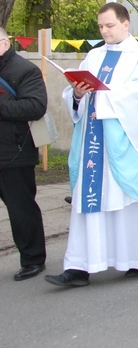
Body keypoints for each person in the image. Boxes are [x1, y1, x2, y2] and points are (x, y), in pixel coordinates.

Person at [45, 2, 138, 287]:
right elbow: (79, 96)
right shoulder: (94, 55)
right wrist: (77, 93)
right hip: (93, 143)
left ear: (126, 24)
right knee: (88, 203)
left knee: (128, 205)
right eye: (100, 26)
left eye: (109, 25)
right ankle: (79, 267)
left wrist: (103, 94)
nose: (104, 31)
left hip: (127, 142)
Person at [0, 28, 48, 281]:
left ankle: (32, 258)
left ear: (5, 43)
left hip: (15, 152)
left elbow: (36, 106)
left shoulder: (24, 70)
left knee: (21, 209)